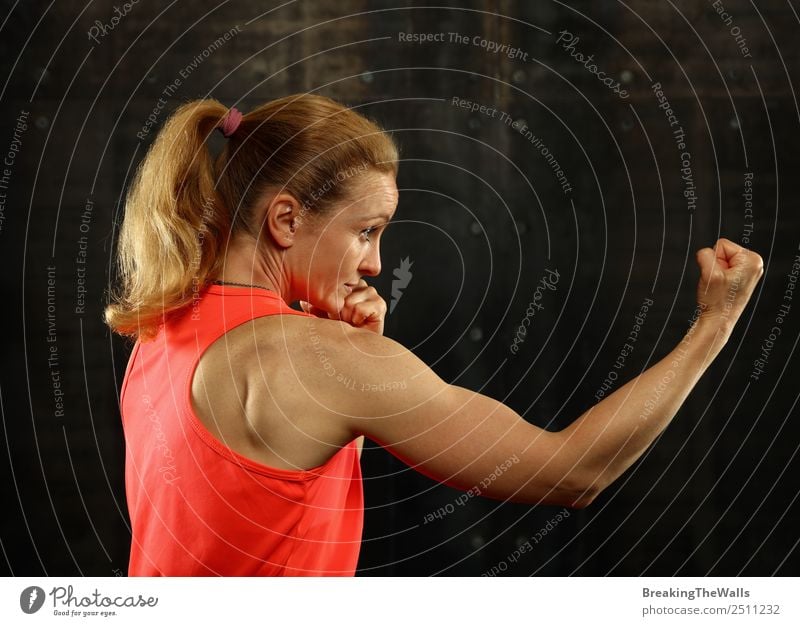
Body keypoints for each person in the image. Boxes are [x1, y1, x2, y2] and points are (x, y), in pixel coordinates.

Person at [105, 93, 764, 577]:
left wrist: (350, 384)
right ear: (285, 219)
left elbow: (269, 512)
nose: (374, 265)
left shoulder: (159, 331)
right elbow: (574, 473)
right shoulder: (320, 358)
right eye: (366, 230)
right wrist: (716, 323)